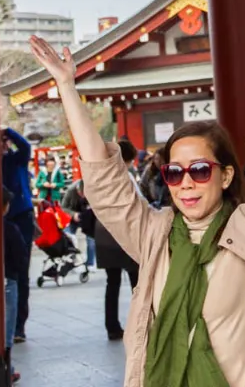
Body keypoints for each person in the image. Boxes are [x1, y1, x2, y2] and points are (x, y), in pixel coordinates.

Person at [27, 22, 245, 387]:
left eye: (200, 170)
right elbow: (105, 184)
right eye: (174, 173)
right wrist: (66, 86)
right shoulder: (154, 236)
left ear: (227, 176)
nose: (186, 182)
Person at [92, 138, 142, 340]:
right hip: (125, 234)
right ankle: (141, 323)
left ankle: (112, 326)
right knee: (137, 283)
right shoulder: (126, 177)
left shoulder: (102, 177)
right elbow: (140, 203)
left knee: (111, 284)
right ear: (128, 159)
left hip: (104, 234)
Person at [1, 129, 37, 343]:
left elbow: (25, 146)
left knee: (21, 271)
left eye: (4, 142)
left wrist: (8, 133)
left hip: (21, 215)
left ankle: (19, 326)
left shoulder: (16, 160)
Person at [2, 189, 28, 383]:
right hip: (8, 280)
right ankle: (6, 368)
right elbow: (21, 256)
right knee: (7, 330)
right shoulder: (10, 229)